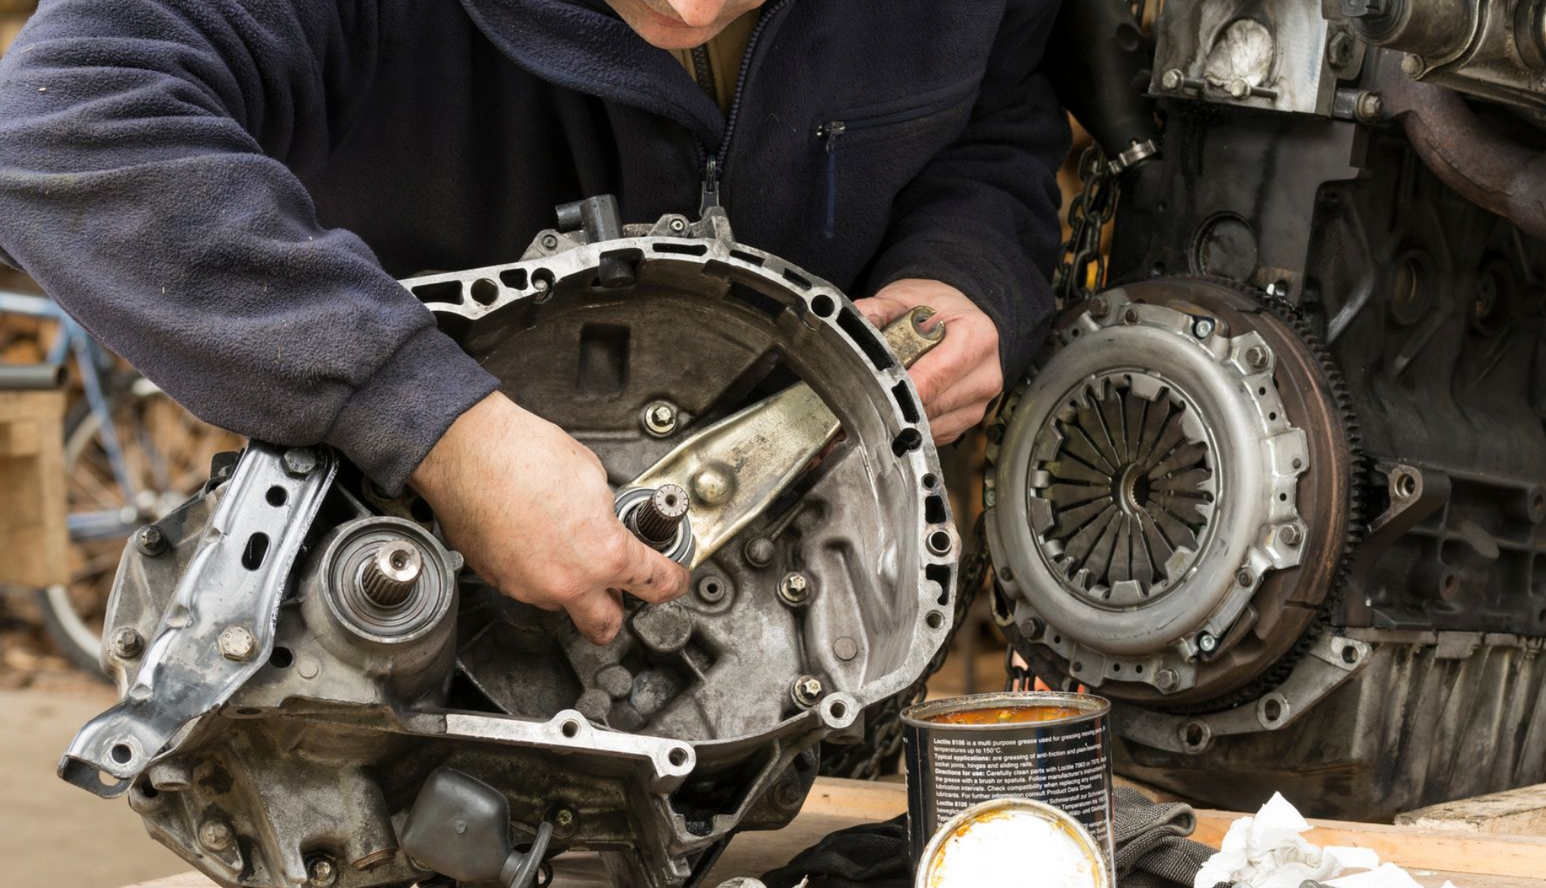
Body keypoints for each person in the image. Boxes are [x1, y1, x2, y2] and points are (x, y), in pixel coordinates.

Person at [0, 0, 1067, 643]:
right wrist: (436, 425)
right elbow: (63, 126)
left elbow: (996, 132)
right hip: (423, 672)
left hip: (817, 659)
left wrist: (965, 277)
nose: (690, 9)